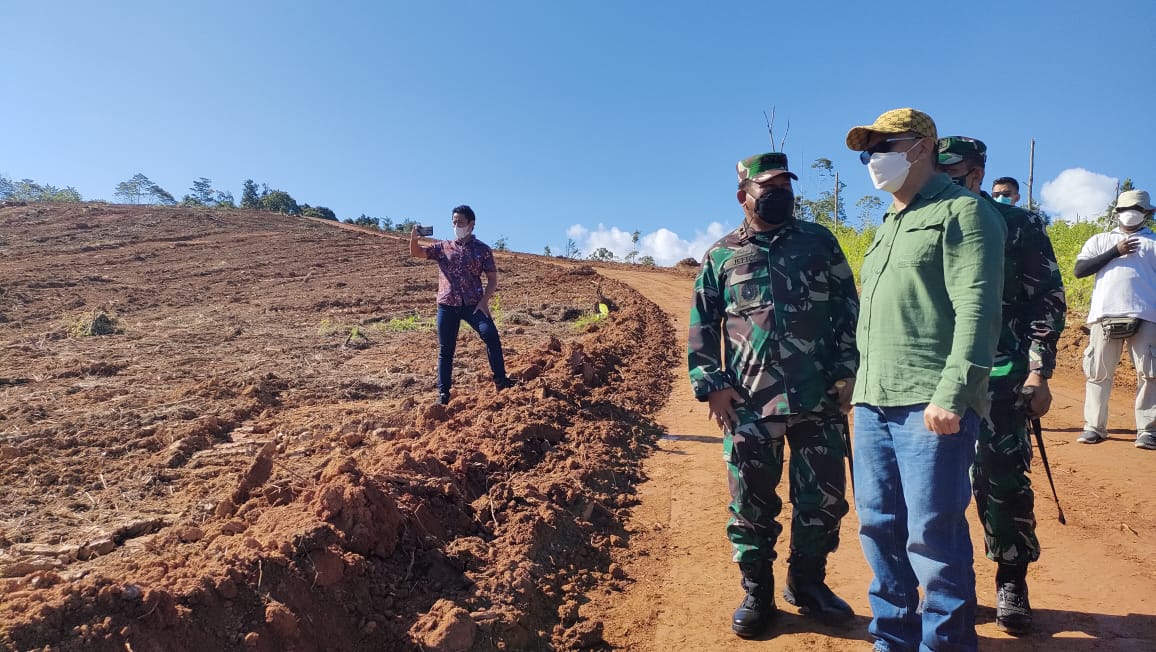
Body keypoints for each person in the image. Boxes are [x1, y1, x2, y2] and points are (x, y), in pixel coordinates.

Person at [845, 109, 1006, 652]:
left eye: (885, 145)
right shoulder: (889, 223)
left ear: (922, 147)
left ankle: (946, 644)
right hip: (873, 403)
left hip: (930, 404)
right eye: (869, 150)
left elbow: (978, 311)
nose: (875, 158)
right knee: (879, 529)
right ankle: (892, 639)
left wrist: (953, 393)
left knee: (932, 537)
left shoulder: (964, 212)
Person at [688, 151, 859, 638]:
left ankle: (807, 583)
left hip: (819, 398)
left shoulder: (819, 243)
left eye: (786, 184)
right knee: (752, 503)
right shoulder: (722, 256)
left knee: (823, 501)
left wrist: (847, 374)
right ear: (745, 196)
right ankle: (757, 592)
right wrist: (712, 386)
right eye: (769, 186)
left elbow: (849, 310)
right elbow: (702, 325)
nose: (781, 192)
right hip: (750, 403)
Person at [937, 136, 1067, 635]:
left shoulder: (1018, 224)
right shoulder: (925, 220)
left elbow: (1047, 300)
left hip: (1002, 376)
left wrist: (1038, 371)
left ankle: (1012, 578)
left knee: (1003, 481)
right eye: (939, 169)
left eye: (956, 170)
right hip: (934, 377)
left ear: (977, 171)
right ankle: (951, 588)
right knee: (934, 489)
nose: (947, 178)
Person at [1073, 189, 1156, 451]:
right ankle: (1094, 427)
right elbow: (1080, 270)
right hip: (1104, 315)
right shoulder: (1100, 240)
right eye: (1124, 209)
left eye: (1137, 210)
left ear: (1148, 214)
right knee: (1098, 372)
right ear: (1116, 212)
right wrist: (1114, 251)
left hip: (1147, 315)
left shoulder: (1153, 243)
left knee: (1150, 374)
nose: (1130, 214)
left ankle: (1148, 430)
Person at [409, 205, 514, 405]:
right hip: (447, 305)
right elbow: (417, 252)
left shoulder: (483, 250)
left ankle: (501, 380)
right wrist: (414, 238)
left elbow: (492, 278)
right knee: (446, 349)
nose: (457, 225)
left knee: (491, 335)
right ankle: (443, 394)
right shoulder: (442, 247)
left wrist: (484, 301)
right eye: (454, 222)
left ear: (471, 225)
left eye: (461, 222)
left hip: (473, 304)